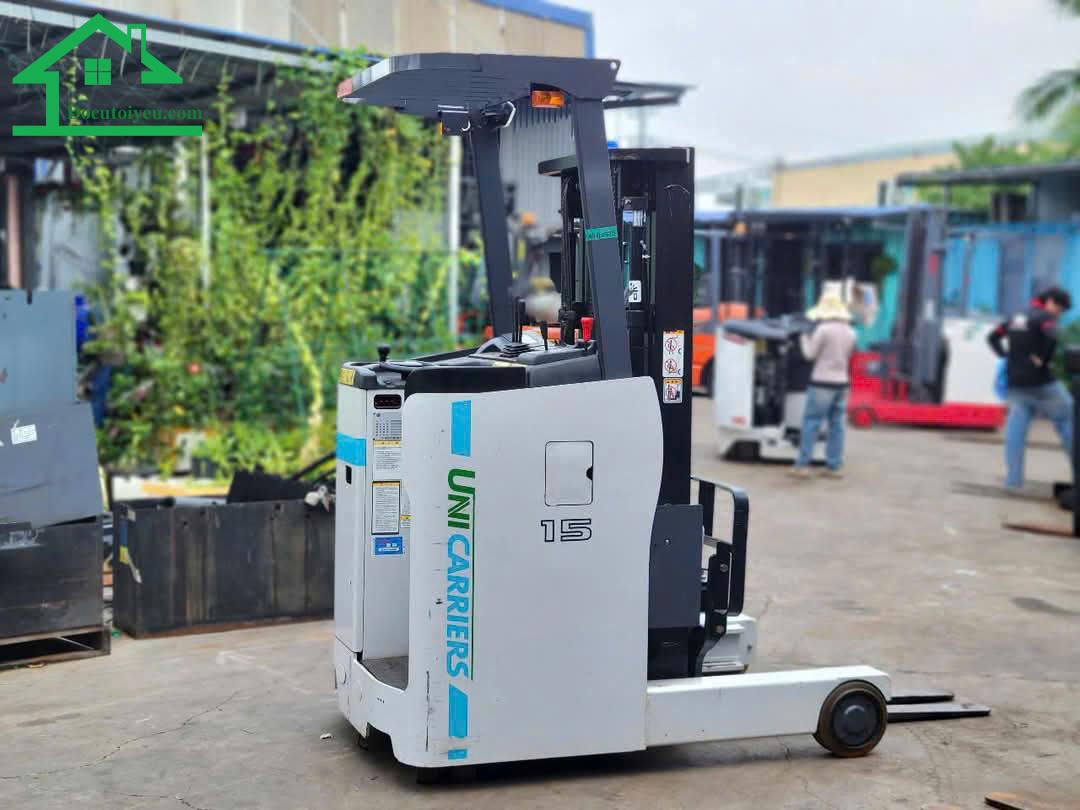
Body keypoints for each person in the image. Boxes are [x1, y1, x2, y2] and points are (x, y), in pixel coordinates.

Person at [987, 286, 1074, 491]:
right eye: (1060, 309)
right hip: (1042, 384)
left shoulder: (1016, 316)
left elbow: (992, 337)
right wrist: (1044, 362)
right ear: (1050, 301)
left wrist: (1005, 356)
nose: (1059, 314)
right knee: (1068, 420)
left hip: (1016, 383)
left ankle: (1013, 482)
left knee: (1015, 432)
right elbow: (1052, 337)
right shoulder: (1044, 317)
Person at [789, 292, 857, 479]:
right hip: (842, 383)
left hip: (821, 382)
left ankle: (802, 465)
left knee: (812, 422)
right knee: (837, 425)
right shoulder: (851, 332)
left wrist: (804, 338)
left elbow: (810, 355)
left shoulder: (823, 329)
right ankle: (833, 467)